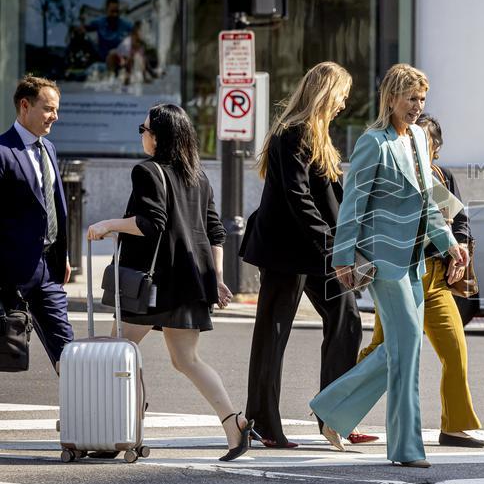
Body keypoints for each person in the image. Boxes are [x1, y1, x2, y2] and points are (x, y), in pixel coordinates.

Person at [309, 63, 469, 468]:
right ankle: (406, 448)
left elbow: (429, 202)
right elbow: (353, 206)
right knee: (409, 346)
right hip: (383, 262)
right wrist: (343, 257)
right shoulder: (372, 143)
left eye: (422, 100)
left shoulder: (416, 138)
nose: (417, 107)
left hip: (415, 261)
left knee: (400, 349)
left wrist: (450, 244)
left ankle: (332, 408)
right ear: (392, 98)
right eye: (411, 98)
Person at [86, 103, 254, 462]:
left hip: (150, 283)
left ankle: (121, 433)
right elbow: (215, 232)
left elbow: (150, 223)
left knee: (121, 351)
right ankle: (233, 424)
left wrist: (109, 224)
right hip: (190, 281)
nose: (142, 135)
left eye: (144, 129)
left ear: (159, 136)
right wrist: (217, 279)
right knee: (187, 359)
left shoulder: (146, 172)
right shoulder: (199, 176)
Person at [241, 62, 374, 449]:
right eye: (342, 95)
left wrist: (352, 238)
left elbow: (333, 198)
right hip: (287, 250)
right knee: (273, 333)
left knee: (346, 317)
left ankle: (335, 413)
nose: (343, 104)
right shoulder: (292, 133)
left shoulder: (320, 134)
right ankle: (262, 421)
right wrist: (335, 248)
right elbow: (296, 198)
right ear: (324, 91)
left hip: (318, 249)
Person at [358, 114, 484, 448]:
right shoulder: (397, 177)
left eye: (423, 141)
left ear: (436, 148)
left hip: (437, 278)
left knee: (456, 349)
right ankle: (338, 413)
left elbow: (460, 222)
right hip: (400, 275)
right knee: (381, 352)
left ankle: (454, 426)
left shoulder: (440, 177)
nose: (414, 146)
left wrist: (457, 255)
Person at [0, 76, 73, 369]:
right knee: (7, 348)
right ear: (25, 106)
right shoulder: (3, 152)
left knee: (67, 348)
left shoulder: (49, 149)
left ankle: (85, 408)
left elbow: (53, 206)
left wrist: (62, 254)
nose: (54, 116)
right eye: (48, 109)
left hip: (47, 268)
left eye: (56, 109)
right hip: (9, 272)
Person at [83, 0, 133, 75]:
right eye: (112, 12)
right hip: (102, 60)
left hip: (117, 61)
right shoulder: (99, 22)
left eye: (117, 12)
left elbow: (136, 30)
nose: (115, 14)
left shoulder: (124, 24)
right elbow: (84, 28)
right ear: (106, 11)